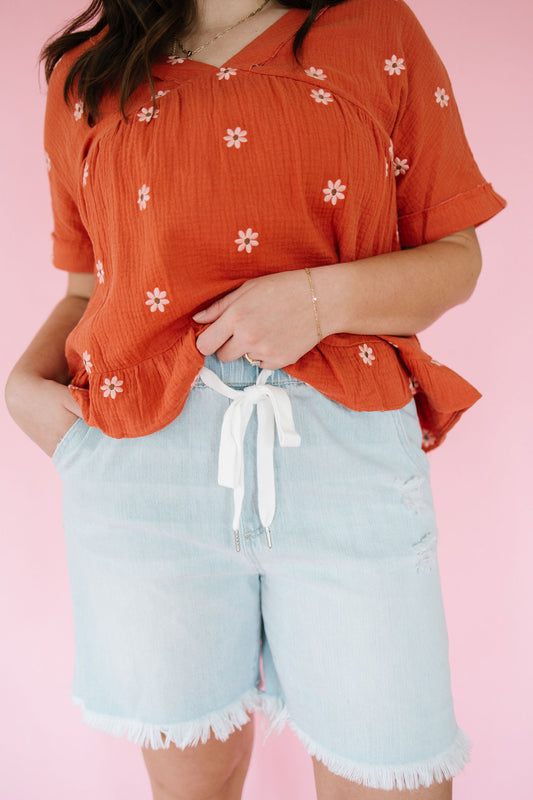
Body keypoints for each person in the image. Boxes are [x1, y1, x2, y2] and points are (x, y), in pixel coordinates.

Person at [4, 0, 507, 797]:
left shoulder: (375, 31)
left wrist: (316, 301)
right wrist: (21, 389)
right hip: (145, 471)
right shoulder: (88, 72)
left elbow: (454, 260)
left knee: (392, 773)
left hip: (342, 456)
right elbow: (90, 288)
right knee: (192, 785)